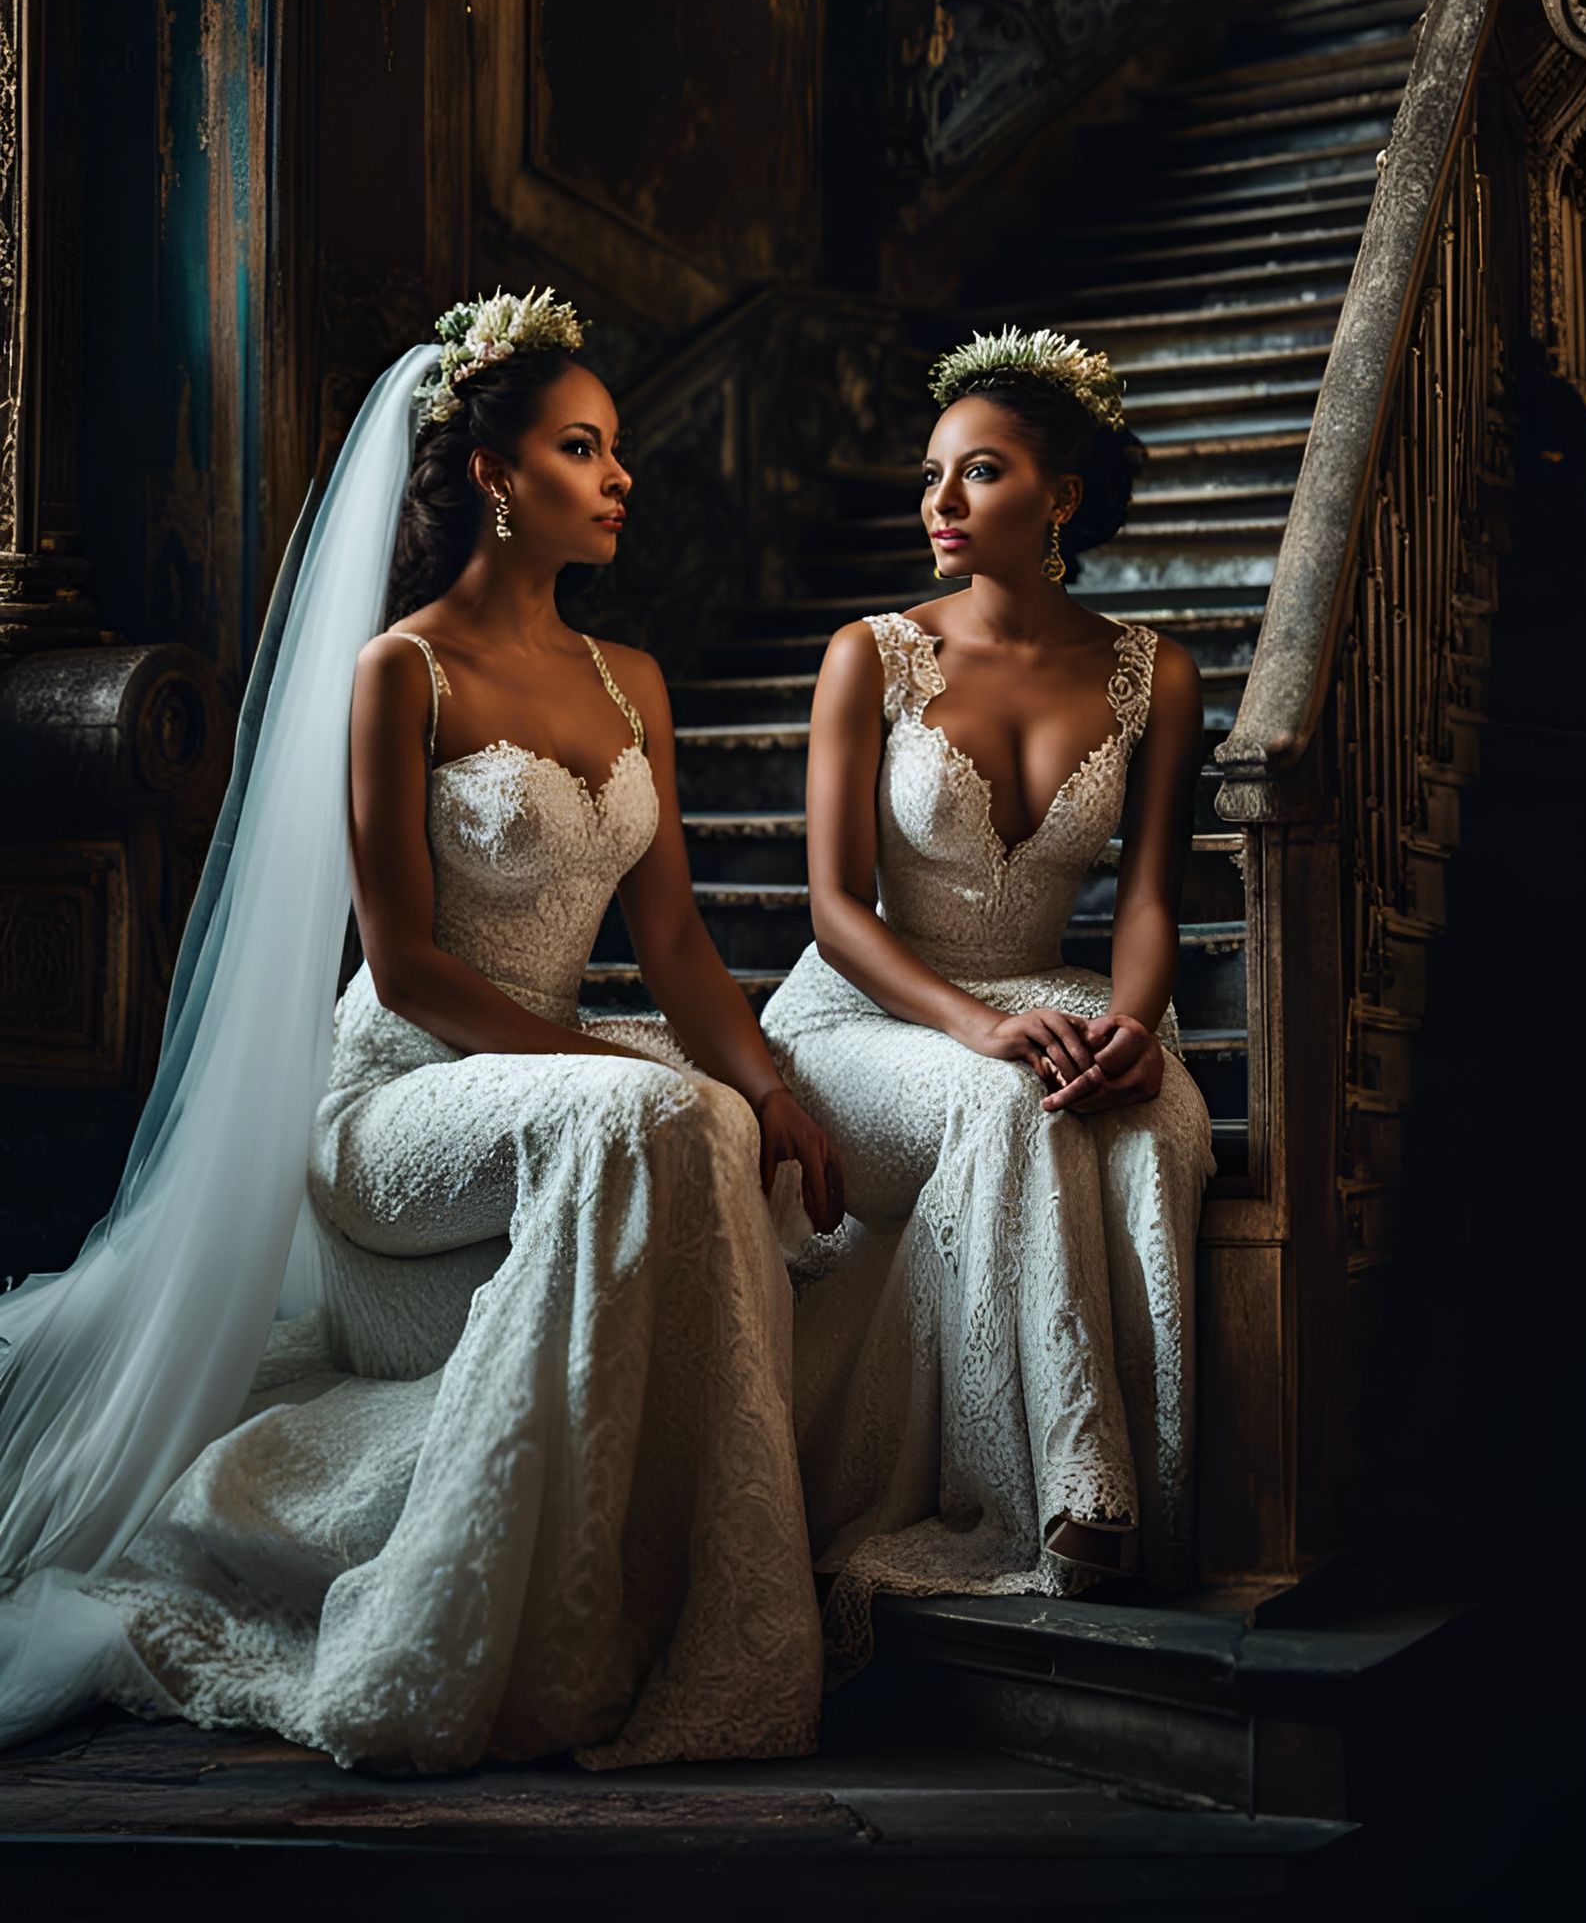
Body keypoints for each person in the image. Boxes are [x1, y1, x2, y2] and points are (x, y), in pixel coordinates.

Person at [0, 289, 842, 1772]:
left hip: (549, 1121)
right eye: (584, 449)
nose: (621, 476)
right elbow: (400, 969)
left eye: (619, 449)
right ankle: (538, 1648)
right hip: (397, 1112)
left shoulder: (630, 683)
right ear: (496, 477)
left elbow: (682, 946)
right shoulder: (404, 671)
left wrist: (767, 1081)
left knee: (716, 1119)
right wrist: (620, 1068)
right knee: (657, 1112)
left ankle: (699, 1610)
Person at [761, 326, 1216, 1668]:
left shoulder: (1155, 673)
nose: (939, 506)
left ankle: (1170, 1501)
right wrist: (977, 1025)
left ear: (1061, 498)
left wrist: (1132, 1026)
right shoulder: (873, 655)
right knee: (1010, 1096)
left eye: (981, 474)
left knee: (1167, 1123)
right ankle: (1075, 1490)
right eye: (933, 477)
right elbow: (837, 908)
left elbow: (1149, 899)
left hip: (1059, 986)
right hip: (869, 1011)